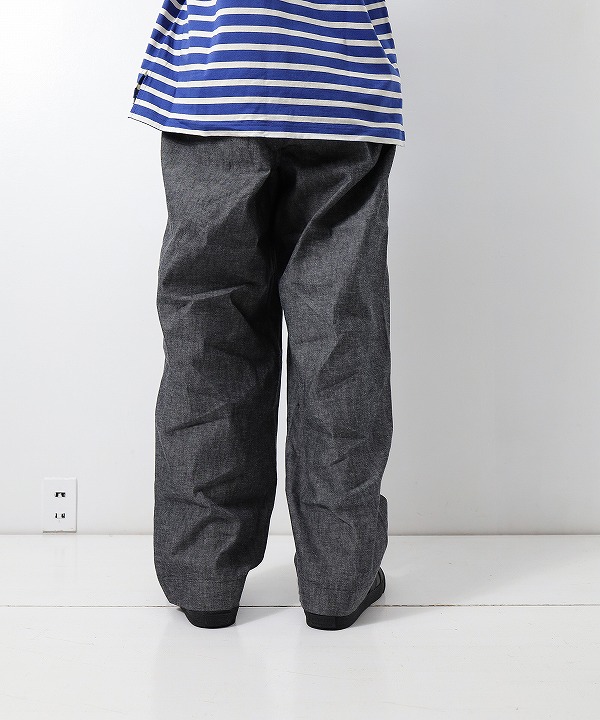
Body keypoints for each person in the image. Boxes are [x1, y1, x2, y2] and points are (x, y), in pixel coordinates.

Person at [128, 0, 404, 630]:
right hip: (339, 86)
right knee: (339, 336)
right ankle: (338, 581)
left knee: (209, 336)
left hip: (216, 84)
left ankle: (204, 579)